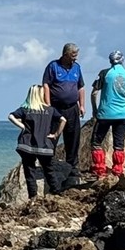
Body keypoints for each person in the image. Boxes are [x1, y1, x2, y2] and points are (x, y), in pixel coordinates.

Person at [9, 84, 67, 198]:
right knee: (49, 171)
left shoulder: (25, 109)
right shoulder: (49, 110)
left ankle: (33, 198)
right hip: (44, 145)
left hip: (26, 145)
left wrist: (22, 126)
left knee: (30, 172)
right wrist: (55, 134)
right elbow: (63, 120)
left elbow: (11, 116)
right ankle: (57, 193)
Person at [90, 50, 125, 178]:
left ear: (110, 61)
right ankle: (117, 170)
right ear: (122, 60)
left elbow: (94, 93)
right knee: (119, 144)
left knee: (96, 142)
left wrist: (95, 109)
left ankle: (99, 169)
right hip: (122, 115)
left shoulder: (104, 73)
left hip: (105, 113)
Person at [41, 43, 86, 174]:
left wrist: (82, 105)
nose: (75, 58)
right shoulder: (53, 66)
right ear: (65, 54)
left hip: (72, 108)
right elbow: (46, 85)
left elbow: (81, 87)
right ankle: (49, 164)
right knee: (52, 136)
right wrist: (48, 105)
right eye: (73, 55)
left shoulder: (77, 68)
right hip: (56, 108)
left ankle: (72, 166)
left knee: (73, 137)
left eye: (76, 55)